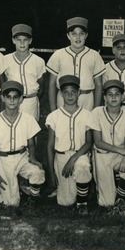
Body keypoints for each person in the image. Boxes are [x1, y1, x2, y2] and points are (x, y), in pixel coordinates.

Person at [0, 81, 45, 209]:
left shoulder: (28, 118)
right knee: (10, 204)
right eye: (8, 97)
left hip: (22, 156)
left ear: (21, 99)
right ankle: (19, 185)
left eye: (16, 97)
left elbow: (31, 143)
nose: (12, 101)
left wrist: (32, 157)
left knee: (37, 172)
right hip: (4, 160)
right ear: (2, 98)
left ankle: (33, 198)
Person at [87, 80, 125, 216]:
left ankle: (120, 198)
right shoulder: (97, 113)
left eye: (117, 94)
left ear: (123, 97)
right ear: (104, 97)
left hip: (118, 156)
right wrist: (124, 152)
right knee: (106, 203)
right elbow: (98, 142)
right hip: (101, 155)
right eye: (110, 94)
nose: (114, 97)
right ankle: (112, 191)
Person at [46, 75, 93, 215]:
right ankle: (81, 190)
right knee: (65, 202)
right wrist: (51, 173)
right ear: (61, 94)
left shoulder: (87, 114)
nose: (70, 95)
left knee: (83, 166)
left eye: (73, 91)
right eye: (66, 92)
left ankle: (82, 202)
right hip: (61, 157)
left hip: (80, 154)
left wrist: (73, 159)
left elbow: (89, 142)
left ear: (79, 93)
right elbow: (49, 146)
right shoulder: (54, 116)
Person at [46, 17, 106, 112]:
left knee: (86, 126)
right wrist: (53, 109)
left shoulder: (94, 55)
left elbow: (98, 85)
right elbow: (52, 83)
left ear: (86, 35)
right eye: (73, 34)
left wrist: (96, 109)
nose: (77, 37)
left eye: (81, 34)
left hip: (86, 98)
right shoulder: (58, 54)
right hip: (63, 97)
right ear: (68, 36)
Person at [4, 24, 46, 121]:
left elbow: (41, 86)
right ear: (13, 40)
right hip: (12, 101)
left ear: (30, 41)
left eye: (25, 40)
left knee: (30, 132)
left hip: (31, 101)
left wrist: (32, 97)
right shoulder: (6, 60)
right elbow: (4, 82)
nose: (22, 43)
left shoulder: (38, 61)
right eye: (18, 40)